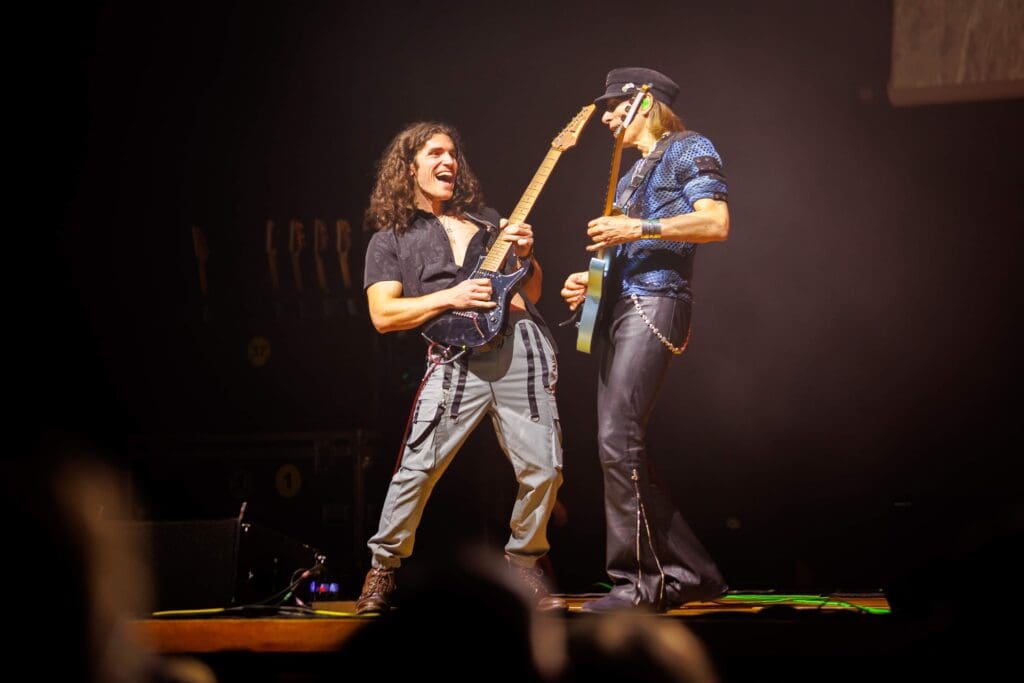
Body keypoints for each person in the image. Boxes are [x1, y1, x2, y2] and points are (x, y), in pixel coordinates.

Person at [357, 121, 565, 614]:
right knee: (418, 469)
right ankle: (382, 570)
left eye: (453, 154)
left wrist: (527, 255)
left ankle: (525, 568)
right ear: (410, 167)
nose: (448, 162)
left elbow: (531, 291)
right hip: (454, 360)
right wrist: (450, 295)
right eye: (435, 153)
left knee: (545, 469)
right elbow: (384, 315)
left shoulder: (488, 221)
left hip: (520, 346)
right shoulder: (391, 239)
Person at [561, 67, 729, 612]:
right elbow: (619, 254)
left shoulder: (688, 147)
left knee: (617, 437)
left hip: (656, 304)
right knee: (622, 445)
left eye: (614, 104)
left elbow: (716, 223)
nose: (606, 116)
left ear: (645, 101)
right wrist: (587, 286)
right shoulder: (633, 173)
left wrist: (639, 229)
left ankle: (637, 586)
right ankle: (693, 572)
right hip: (622, 307)